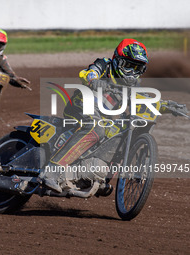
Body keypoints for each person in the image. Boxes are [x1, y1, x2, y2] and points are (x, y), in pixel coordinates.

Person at [40, 38, 188, 193]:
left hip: (103, 117)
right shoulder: (104, 64)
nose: (131, 73)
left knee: (117, 132)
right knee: (96, 129)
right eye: (128, 66)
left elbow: (145, 99)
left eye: (137, 68)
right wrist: (94, 80)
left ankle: (94, 175)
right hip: (82, 105)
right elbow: (88, 73)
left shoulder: (133, 85)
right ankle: (52, 170)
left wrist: (167, 105)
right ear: (117, 60)